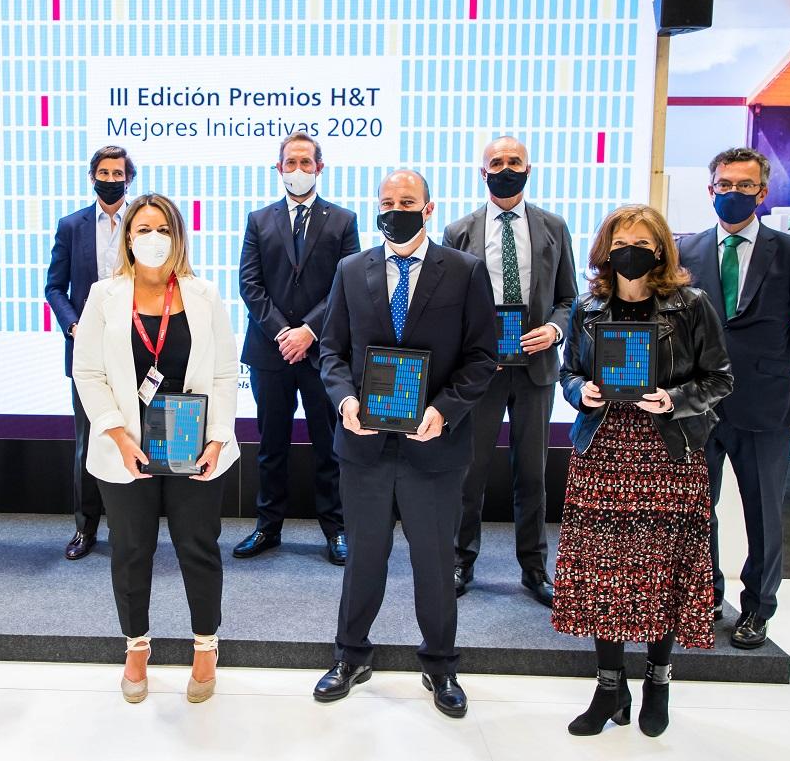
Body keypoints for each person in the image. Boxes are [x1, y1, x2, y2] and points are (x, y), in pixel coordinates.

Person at [312, 170, 496, 718]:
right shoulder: (351, 269)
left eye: (407, 201)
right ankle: (351, 656)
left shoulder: (464, 271)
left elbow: (482, 357)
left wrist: (443, 411)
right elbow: (331, 352)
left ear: (429, 207)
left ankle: (440, 664)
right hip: (364, 445)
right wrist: (346, 403)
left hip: (433, 444)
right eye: (388, 202)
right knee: (364, 556)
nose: (397, 210)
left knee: (434, 561)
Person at [555, 205, 732, 737]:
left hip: (667, 454)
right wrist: (578, 392)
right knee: (602, 575)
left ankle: (658, 679)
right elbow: (569, 373)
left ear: (660, 250)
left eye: (642, 242)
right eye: (621, 241)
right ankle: (610, 687)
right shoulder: (588, 307)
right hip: (603, 450)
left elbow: (720, 378)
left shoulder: (691, 304)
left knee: (660, 574)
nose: (631, 251)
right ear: (606, 248)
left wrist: (673, 399)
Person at [72, 193, 240, 705]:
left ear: (177, 236)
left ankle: (206, 646)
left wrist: (217, 438)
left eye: (161, 229)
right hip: (126, 453)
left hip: (194, 450)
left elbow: (226, 372)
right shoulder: (104, 295)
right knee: (130, 551)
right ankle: (136, 646)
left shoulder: (204, 294)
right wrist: (117, 435)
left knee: (198, 548)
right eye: (141, 229)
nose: (151, 238)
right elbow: (89, 372)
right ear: (127, 238)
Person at [677, 147, 790, 649]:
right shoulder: (688, 251)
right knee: (698, 510)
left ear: (762, 193)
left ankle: (758, 610)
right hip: (700, 408)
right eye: (726, 185)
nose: (734, 193)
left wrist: (775, 366)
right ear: (711, 190)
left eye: (745, 186)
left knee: (762, 512)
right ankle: (705, 599)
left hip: (763, 406)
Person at [443, 136, 576, 606]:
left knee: (533, 474)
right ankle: (461, 560)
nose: (505, 168)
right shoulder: (458, 231)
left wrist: (556, 332)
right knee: (469, 472)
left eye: (513, 161)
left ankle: (534, 567)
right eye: (496, 162)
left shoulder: (554, 227)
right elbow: (448, 304)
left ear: (529, 167)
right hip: (481, 371)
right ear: (483, 173)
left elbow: (567, 298)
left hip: (535, 367)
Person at [234, 133, 360, 565]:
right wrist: (283, 333)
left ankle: (336, 530)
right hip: (270, 354)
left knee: (330, 447)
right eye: (290, 162)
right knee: (271, 446)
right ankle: (267, 527)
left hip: (322, 354)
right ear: (278, 168)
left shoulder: (343, 220)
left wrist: (307, 330)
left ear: (319, 168)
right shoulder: (258, 219)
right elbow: (249, 285)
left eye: (306, 162)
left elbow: (348, 284)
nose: (298, 169)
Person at [46, 146, 136, 560]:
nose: (111, 178)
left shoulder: (146, 221)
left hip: (139, 349)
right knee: (87, 441)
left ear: (129, 178)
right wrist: (73, 325)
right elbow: (54, 287)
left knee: (134, 435)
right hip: (87, 351)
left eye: (118, 172)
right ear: (92, 176)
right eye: (104, 171)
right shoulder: (71, 225)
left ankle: (128, 525)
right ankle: (86, 528)